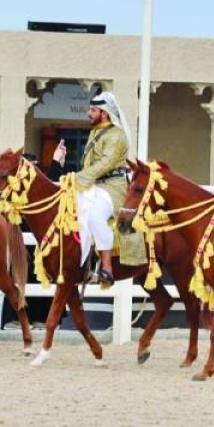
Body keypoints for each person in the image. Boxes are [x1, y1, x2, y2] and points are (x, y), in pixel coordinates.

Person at [76, 92, 136, 286]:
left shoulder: (116, 135)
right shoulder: (96, 132)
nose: (88, 113)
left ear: (104, 113)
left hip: (112, 188)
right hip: (94, 185)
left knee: (94, 217)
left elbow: (106, 163)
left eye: (93, 110)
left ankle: (107, 267)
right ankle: (84, 265)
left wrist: (77, 178)